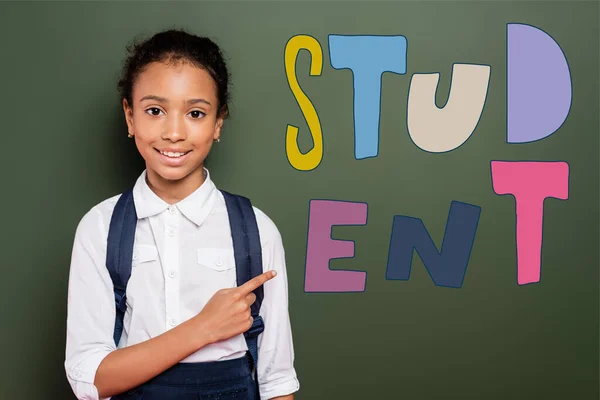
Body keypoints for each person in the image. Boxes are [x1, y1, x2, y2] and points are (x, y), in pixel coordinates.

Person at [64, 28, 300, 400]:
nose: (174, 132)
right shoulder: (100, 227)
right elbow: (89, 379)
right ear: (130, 116)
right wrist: (204, 328)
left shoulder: (256, 229)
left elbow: (277, 379)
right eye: (155, 111)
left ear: (218, 122)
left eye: (195, 113)